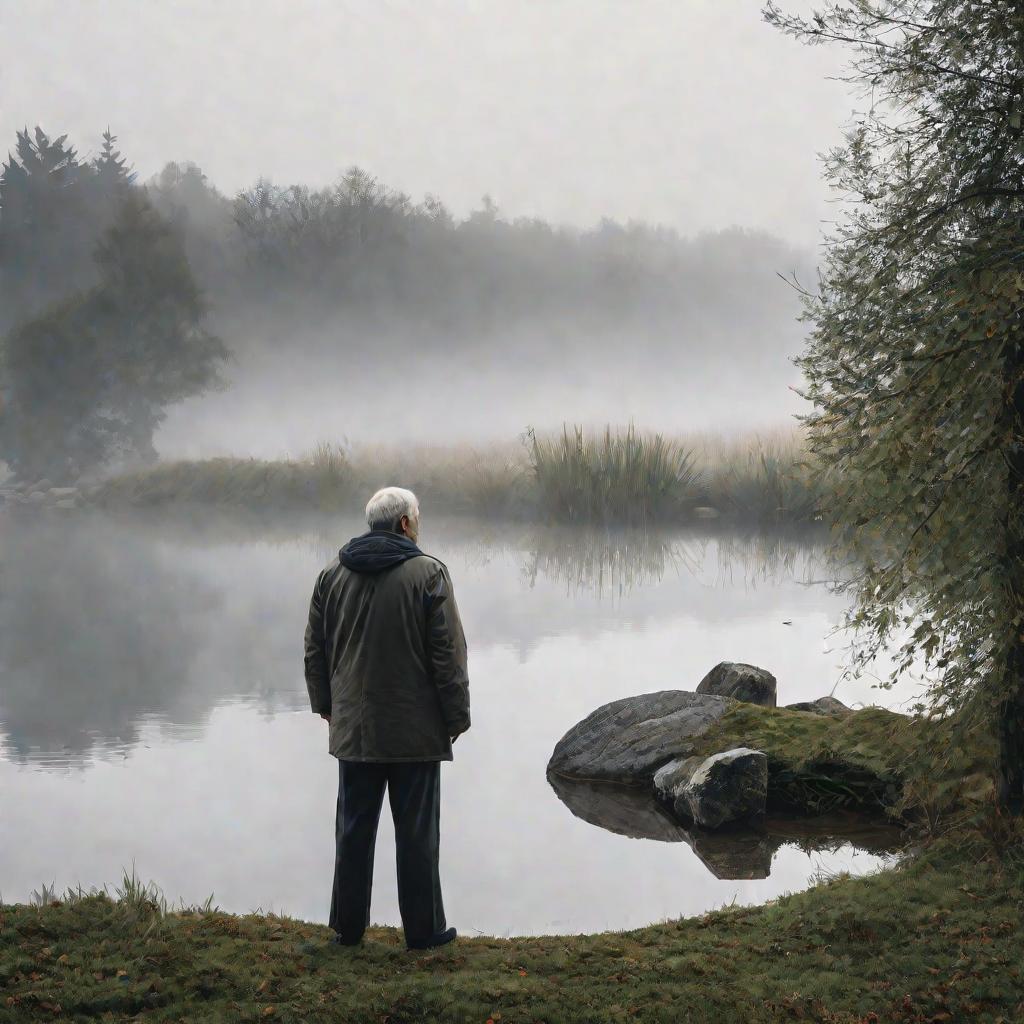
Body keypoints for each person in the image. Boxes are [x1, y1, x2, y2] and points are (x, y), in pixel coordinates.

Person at [303, 486, 470, 950]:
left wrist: (326, 706)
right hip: (415, 730)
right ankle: (424, 931)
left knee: (353, 829)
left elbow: (315, 649)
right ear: (403, 525)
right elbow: (448, 654)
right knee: (417, 832)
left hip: (354, 726)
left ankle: (347, 930)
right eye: (417, 518)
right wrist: (456, 715)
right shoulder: (429, 573)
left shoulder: (330, 574)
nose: (418, 525)